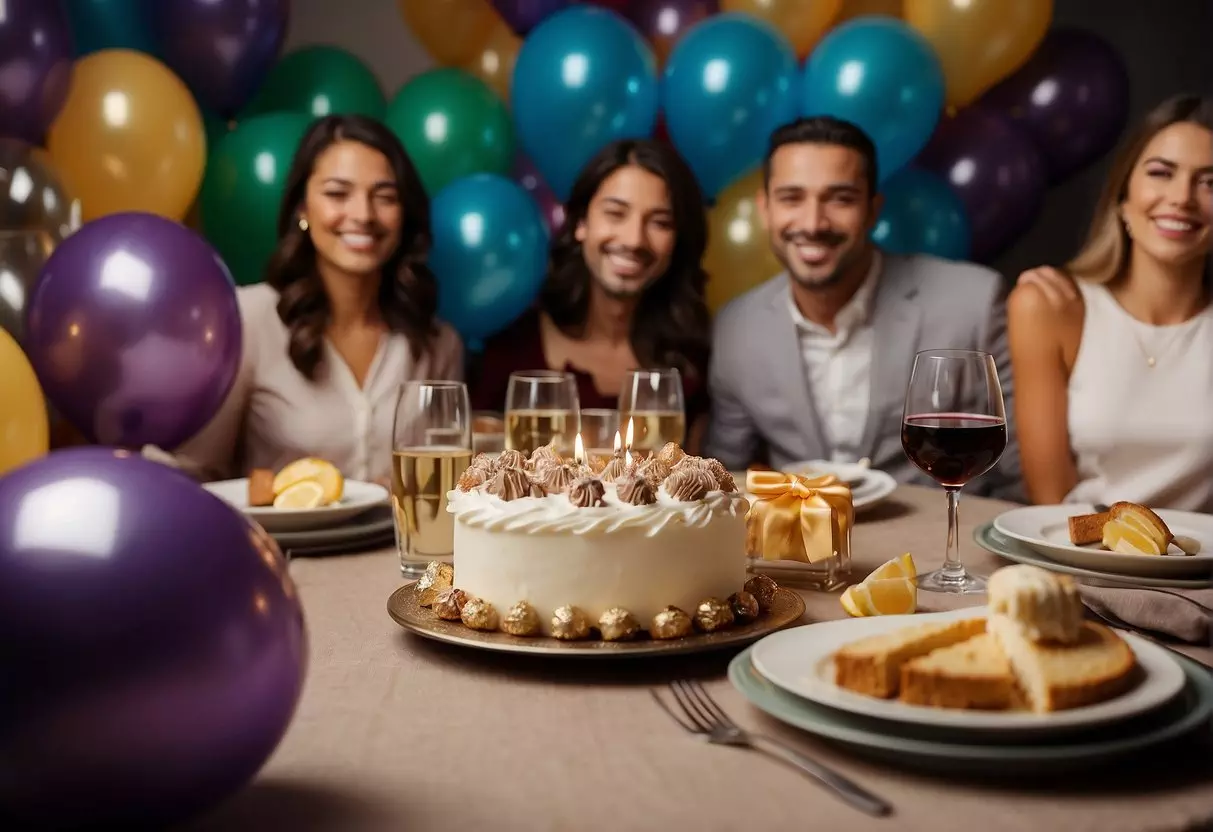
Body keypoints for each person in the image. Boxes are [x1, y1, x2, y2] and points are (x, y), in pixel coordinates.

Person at [705, 116, 1021, 500]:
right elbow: (722, 480)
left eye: (840, 198)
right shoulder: (736, 326)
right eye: (791, 197)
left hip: (943, 547)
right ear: (765, 209)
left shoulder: (974, 302)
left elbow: (1018, 479)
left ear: (872, 210)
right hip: (802, 555)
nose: (813, 222)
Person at [154, 114, 463, 484]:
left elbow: (452, 488)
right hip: (275, 543)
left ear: (404, 214)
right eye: (337, 194)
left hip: (407, 544)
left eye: (385, 197)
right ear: (302, 208)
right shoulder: (247, 320)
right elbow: (191, 472)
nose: (363, 215)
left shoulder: (438, 344)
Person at [1009, 94, 1213, 512]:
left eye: (1210, 182)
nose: (1182, 198)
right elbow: (1050, 499)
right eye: (1161, 173)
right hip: (1081, 560)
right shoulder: (1049, 307)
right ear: (1124, 197)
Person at [469, 138, 712, 450]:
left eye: (660, 222)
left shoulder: (691, 359)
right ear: (581, 223)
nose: (634, 239)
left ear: (677, 242)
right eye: (615, 213)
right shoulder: (512, 350)